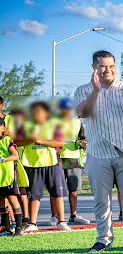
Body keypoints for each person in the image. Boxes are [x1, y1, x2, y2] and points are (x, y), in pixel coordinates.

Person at [75, 50, 123, 251]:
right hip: (98, 153)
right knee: (101, 200)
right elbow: (82, 113)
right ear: (94, 68)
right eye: (103, 66)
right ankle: (103, 238)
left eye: (111, 66)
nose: (108, 70)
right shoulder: (83, 90)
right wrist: (96, 90)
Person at [18, 101, 68, 232]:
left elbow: (61, 143)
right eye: (34, 111)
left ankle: (61, 221)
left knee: (57, 193)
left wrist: (40, 140)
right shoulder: (26, 126)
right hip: (33, 164)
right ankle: (33, 223)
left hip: (52, 163)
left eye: (39, 111)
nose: (36, 113)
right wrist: (30, 139)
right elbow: (17, 142)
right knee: (34, 195)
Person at [57, 98, 90, 225]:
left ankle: (73, 215)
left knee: (73, 190)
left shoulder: (77, 122)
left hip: (73, 158)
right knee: (56, 189)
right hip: (57, 158)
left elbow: (83, 139)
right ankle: (55, 216)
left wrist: (83, 143)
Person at [0, 118, 24, 236]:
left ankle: (19, 227)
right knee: (1, 201)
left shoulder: (7, 140)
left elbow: (15, 156)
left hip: (8, 175)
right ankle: (6, 227)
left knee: (12, 200)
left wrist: (3, 159)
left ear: (3, 128)